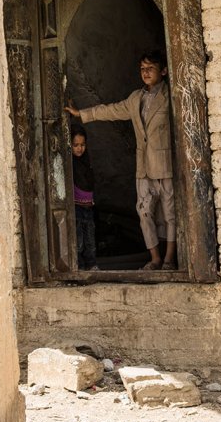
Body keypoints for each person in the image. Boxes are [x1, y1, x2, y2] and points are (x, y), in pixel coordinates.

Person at [65, 50, 176, 270]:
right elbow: (112, 110)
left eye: (150, 68)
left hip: (165, 165)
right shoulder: (136, 98)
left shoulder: (171, 97)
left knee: (170, 214)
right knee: (143, 212)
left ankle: (170, 260)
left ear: (163, 71)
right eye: (142, 69)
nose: (145, 72)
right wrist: (82, 114)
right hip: (143, 166)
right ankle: (154, 259)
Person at [71, 125, 97, 271]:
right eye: (75, 145)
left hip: (88, 207)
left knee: (90, 240)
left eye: (82, 145)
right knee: (78, 240)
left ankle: (92, 265)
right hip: (76, 207)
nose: (79, 148)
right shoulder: (70, 164)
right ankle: (80, 267)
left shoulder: (87, 162)